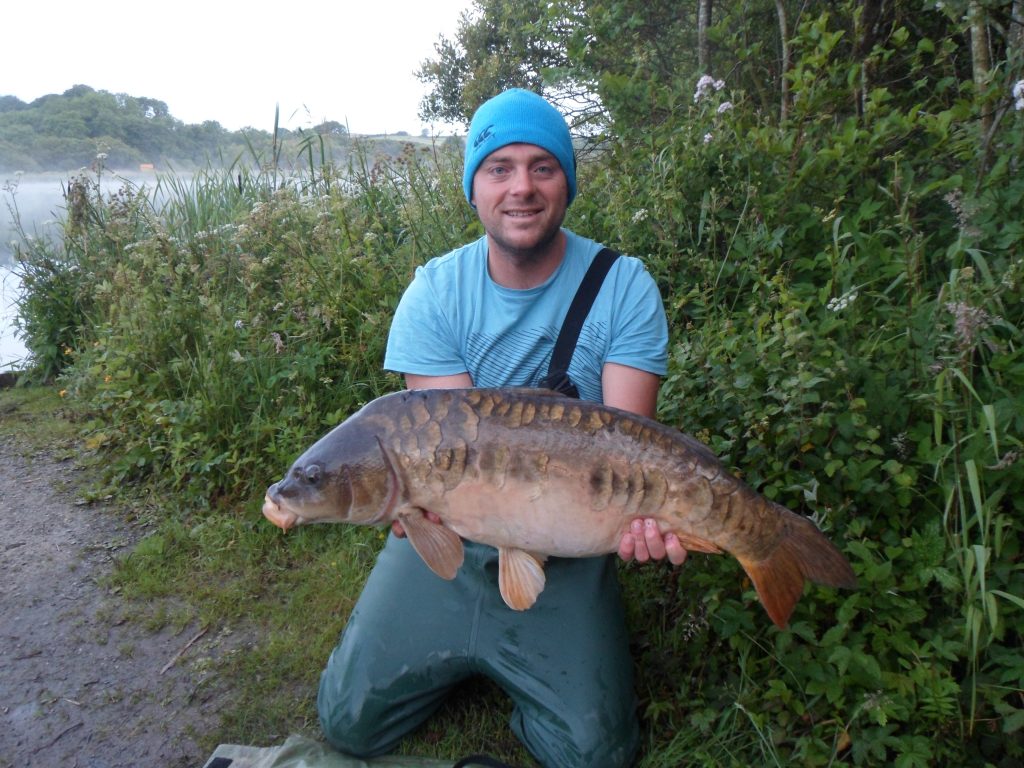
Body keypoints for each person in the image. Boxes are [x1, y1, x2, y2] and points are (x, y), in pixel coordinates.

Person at [317, 88, 687, 768]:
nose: (522, 187)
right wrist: (402, 501)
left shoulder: (623, 285)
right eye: (500, 168)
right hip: (454, 534)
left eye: (543, 167)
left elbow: (633, 451)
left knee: (595, 756)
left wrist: (646, 514)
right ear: (475, 187)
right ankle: (465, 641)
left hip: (569, 533)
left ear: (566, 182)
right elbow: (448, 464)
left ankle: (514, 668)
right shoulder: (435, 292)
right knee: (348, 722)